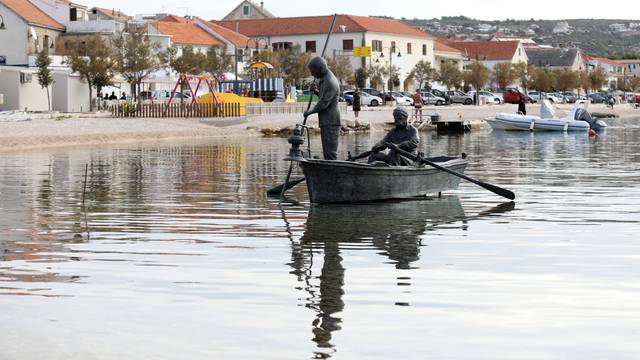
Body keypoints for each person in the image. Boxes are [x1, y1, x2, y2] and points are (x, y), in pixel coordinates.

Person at [303, 57, 341, 160]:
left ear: (320, 68)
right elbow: (323, 96)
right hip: (326, 121)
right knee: (326, 152)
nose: (312, 74)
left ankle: (332, 174)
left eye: (313, 71)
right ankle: (327, 174)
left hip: (331, 121)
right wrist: (315, 91)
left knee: (330, 153)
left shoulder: (329, 81)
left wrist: (310, 112)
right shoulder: (324, 79)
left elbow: (323, 103)